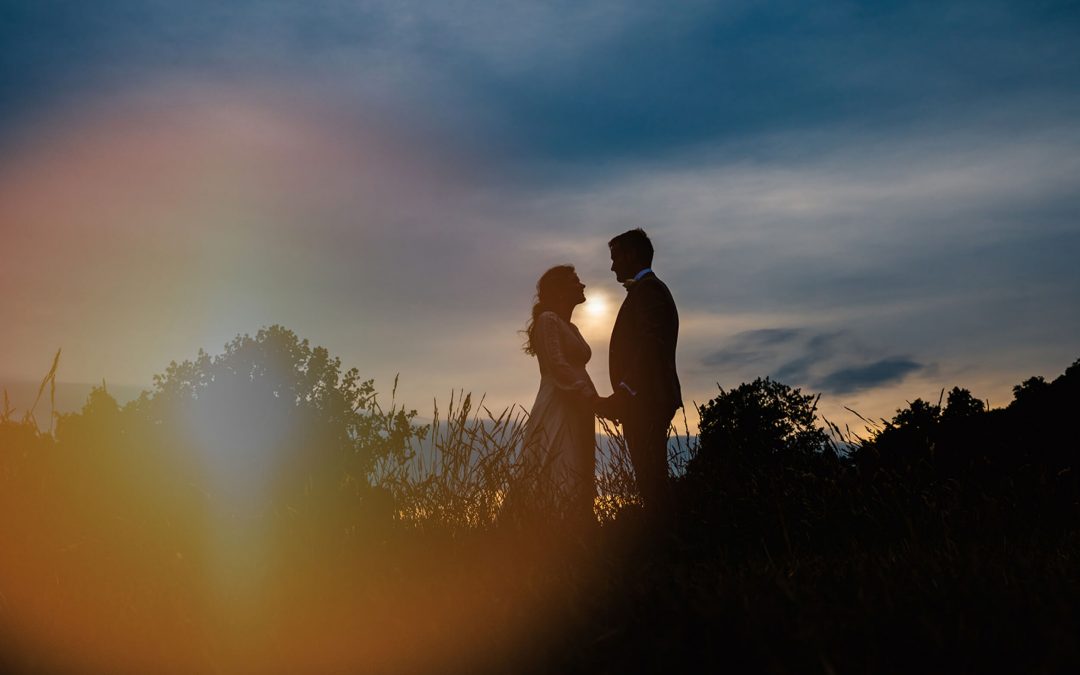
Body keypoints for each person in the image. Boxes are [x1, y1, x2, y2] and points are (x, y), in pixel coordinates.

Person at [596, 229, 682, 520]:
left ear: (631, 255)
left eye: (615, 257)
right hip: (645, 398)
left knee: (652, 479)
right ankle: (662, 531)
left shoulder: (649, 290)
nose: (612, 266)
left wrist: (625, 390)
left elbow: (651, 344)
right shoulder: (645, 290)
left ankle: (664, 535)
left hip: (647, 400)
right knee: (650, 478)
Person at [516, 265, 600, 521]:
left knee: (579, 463)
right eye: (575, 281)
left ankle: (578, 524)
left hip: (579, 405)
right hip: (560, 403)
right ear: (561, 290)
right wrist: (590, 397)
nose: (582, 285)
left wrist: (590, 401)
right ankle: (551, 525)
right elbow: (558, 366)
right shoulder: (548, 320)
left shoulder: (570, 328)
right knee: (562, 459)